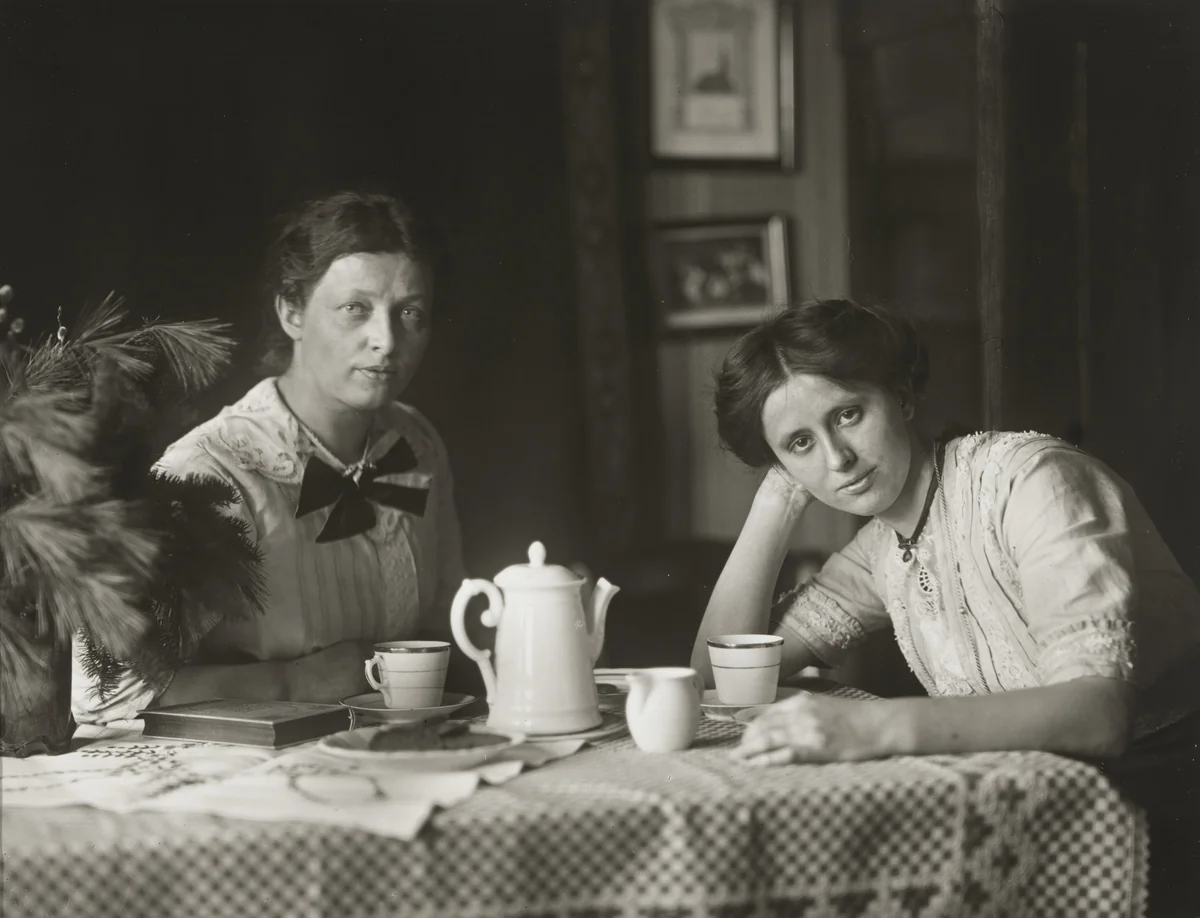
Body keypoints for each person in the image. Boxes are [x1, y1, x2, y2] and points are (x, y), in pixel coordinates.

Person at [691, 298, 1200, 908]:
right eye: (800, 443)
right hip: (1037, 812)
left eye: (848, 414)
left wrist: (872, 725)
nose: (837, 459)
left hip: (1162, 806)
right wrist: (776, 502)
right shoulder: (881, 547)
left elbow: (1099, 714)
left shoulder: (1030, 481)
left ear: (901, 396)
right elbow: (715, 676)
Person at [74, 190, 465, 723]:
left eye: (410, 312)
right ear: (291, 311)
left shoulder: (416, 445)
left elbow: (446, 621)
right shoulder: (216, 471)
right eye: (355, 309)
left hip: (390, 758)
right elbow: (101, 690)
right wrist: (290, 680)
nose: (386, 340)